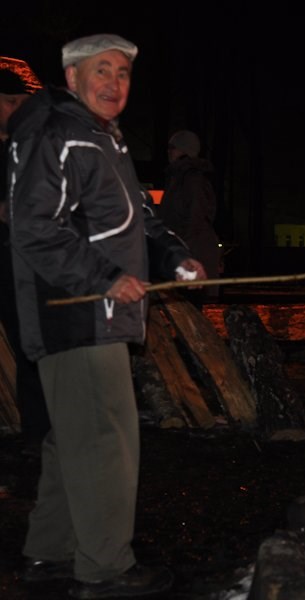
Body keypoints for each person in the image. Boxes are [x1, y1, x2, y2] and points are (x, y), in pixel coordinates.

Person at [6, 33, 207, 598]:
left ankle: (49, 556)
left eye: (121, 73)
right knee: (104, 440)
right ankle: (105, 569)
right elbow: (35, 229)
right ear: (72, 78)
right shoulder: (57, 133)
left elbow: (141, 217)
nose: (114, 83)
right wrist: (104, 279)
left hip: (101, 312)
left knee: (72, 439)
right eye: (101, 71)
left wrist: (175, 257)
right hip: (77, 314)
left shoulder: (103, 139)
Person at [0, 60, 51, 455]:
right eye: (9, 101)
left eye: (20, 101)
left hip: (23, 264)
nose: (15, 109)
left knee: (31, 343)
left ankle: (39, 430)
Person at [157, 129, 221, 304]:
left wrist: (182, 255)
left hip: (194, 253)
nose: (169, 151)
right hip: (186, 252)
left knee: (193, 307)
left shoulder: (192, 180)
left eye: (173, 147)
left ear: (185, 150)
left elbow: (195, 219)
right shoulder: (177, 178)